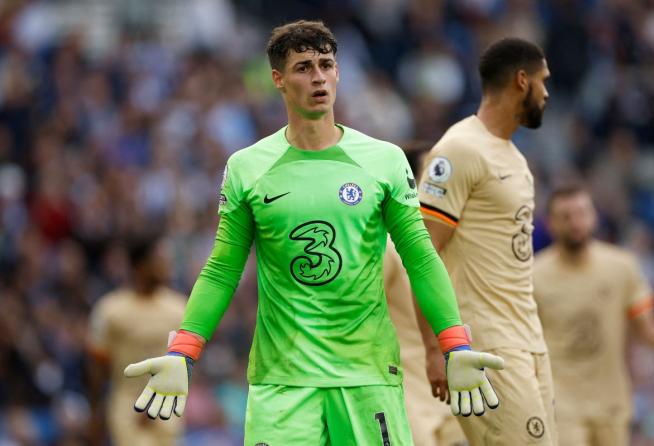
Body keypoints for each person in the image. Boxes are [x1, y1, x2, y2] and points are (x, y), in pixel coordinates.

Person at [123, 20, 503, 445]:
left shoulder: (384, 161)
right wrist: (183, 352)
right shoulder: (248, 167)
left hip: (366, 376)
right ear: (278, 80)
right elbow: (222, 270)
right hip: (282, 383)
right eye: (303, 67)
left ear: (339, 72)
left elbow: (420, 256)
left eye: (326, 64)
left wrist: (454, 343)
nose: (318, 76)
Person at [415, 38, 556, 445]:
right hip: (486, 345)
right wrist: (435, 349)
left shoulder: (513, 157)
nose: (547, 93)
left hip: (528, 340)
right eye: (543, 81)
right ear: (521, 80)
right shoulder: (459, 149)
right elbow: (421, 255)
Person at [534, 184, 654, 446]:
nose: (575, 223)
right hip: (562, 404)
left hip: (612, 403)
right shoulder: (534, 277)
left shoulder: (622, 267)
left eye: (582, 213)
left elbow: (647, 329)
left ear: (594, 216)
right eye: (566, 216)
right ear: (550, 223)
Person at [384, 143, 467, 446]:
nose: (441, 188)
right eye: (431, 179)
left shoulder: (452, 249)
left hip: (454, 397)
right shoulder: (386, 247)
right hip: (407, 401)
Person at [88, 237, 186, 446]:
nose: (166, 266)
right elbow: (98, 368)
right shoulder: (110, 310)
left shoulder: (179, 308)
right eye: (159, 260)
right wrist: (95, 415)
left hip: (167, 408)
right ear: (141, 265)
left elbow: (186, 363)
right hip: (128, 409)